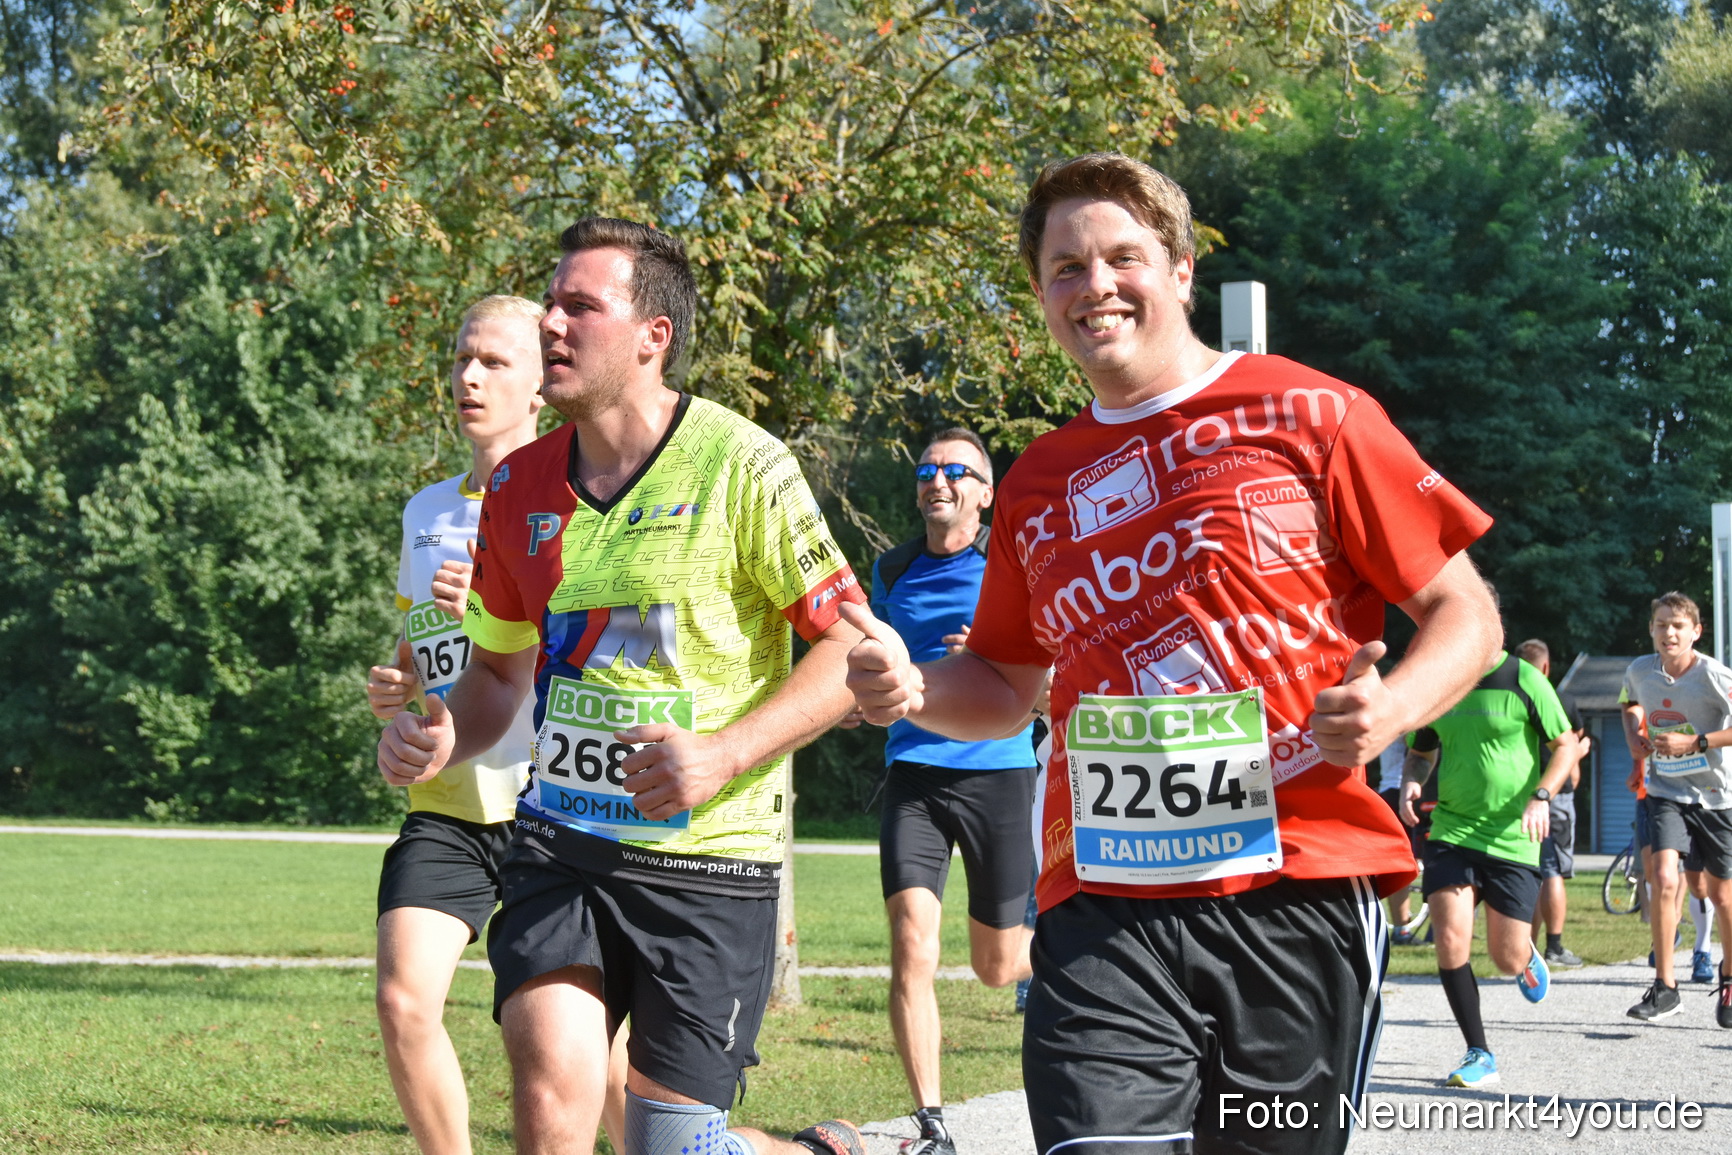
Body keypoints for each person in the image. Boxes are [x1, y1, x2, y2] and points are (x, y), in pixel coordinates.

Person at [843, 153, 1501, 1154]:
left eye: (1121, 257)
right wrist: (909, 689)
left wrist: (1394, 705)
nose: (1094, 284)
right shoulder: (1034, 485)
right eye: (1064, 267)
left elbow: (1465, 612)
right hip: (1099, 902)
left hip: (1296, 889)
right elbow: (1005, 690)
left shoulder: (1313, 414)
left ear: (1181, 270)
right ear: (1039, 293)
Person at [378, 218, 872, 1155]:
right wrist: (443, 735)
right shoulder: (520, 487)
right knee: (551, 1094)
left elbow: (850, 648)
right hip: (563, 843)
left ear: (655, 335)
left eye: (580, 306)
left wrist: (726, 751)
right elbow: (495, 675)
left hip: (711, 860)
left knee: (672, 1147)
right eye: (550, 303)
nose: (552, 325)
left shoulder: (743, 465)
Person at [869, 427, 1037, 1155]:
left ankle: (1060, 949)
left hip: (999, 771)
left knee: (998, 967)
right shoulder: (891, 568)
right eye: (928, 469)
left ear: (985, 491)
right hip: (913, 775)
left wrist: (990, 662)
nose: (938, 480)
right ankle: (933, 1125)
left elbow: (1054, 668)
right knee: (912, 942)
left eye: (957, 471)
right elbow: (871, 655)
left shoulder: (1013, 564)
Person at [1399, 628, 1583, 1088]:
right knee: (1450, 940)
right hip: (1452, 829)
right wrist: (1412, 780)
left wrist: (1542, 795)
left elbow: (1565, 745)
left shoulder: (1524, 679)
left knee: (1504, 958)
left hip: (1514, 837)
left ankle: (1524, 956)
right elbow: (1421, 751)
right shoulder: (1443, 684)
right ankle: (1479, 1053)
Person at [1618, 591, 1732, 1026]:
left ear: (1695, 632)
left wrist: (1698, 742)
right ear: (1651, 629)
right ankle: (1665, 987)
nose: (1669, 632)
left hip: (1718, 798)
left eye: (1679, 625)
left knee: (1721, 896)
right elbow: (1630, 701)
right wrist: (1633, 736)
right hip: (1667, 791)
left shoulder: (1715, 676)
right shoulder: (1640, 670)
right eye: (1662, 624)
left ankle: (1729, 975)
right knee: (1663, 877)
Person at [1514, 638, 1586, 968]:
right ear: (1546, 667)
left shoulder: (1511, 695)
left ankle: (1528, 946)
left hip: (1521, 795)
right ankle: (1552, 947)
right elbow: (1573, 746)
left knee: (1532, 871)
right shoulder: (1563, 700)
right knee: (1552, 870)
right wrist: (1573, 776)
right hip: (1555, 796)